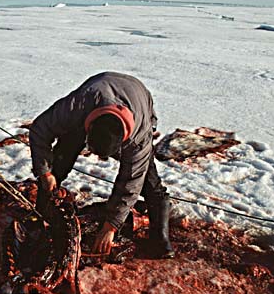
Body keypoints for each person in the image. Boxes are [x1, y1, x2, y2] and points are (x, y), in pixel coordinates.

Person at [29, 72, 174, 258]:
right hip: (96, 98)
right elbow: (40, 129)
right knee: (64, 153)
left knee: (146, 177)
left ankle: (160, 237)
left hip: (138, 98)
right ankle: (43, 210)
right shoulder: (77, 106)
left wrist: (111, 226)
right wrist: (45, 173)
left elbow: (131, 181)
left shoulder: (138, 138)